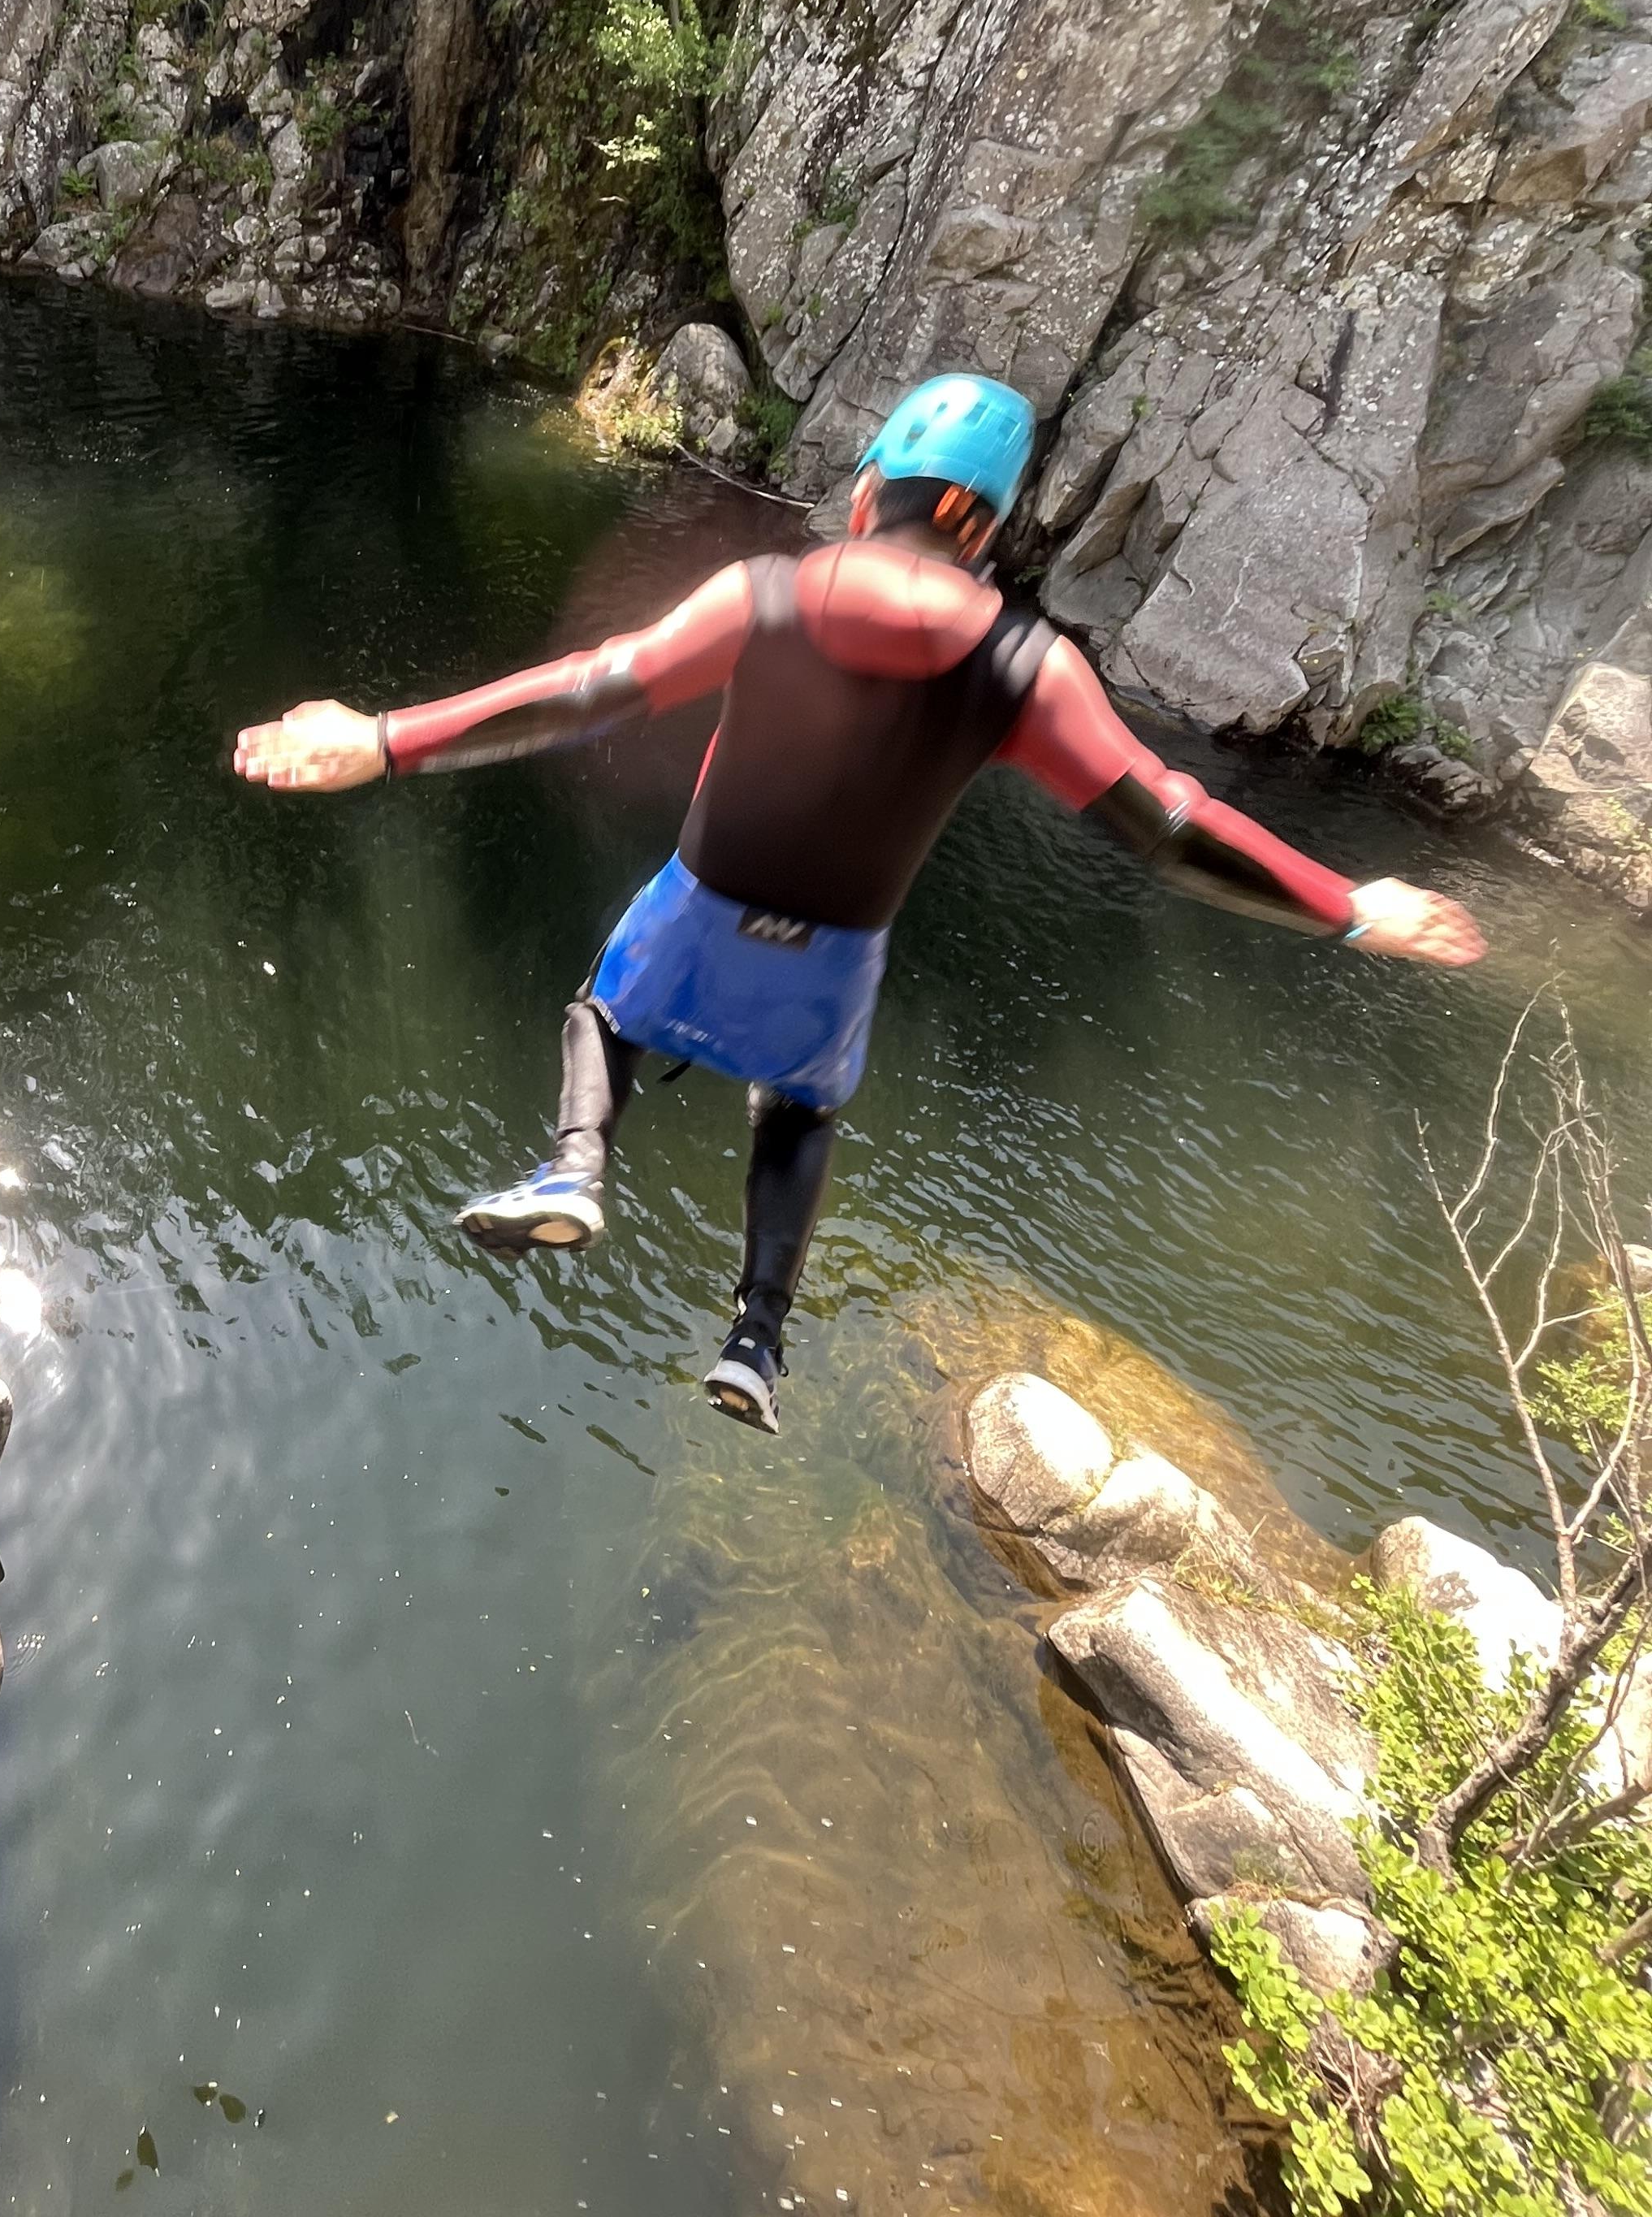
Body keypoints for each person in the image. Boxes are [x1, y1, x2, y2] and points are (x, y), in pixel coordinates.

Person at [233, 370, 1487, 1435]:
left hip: (702, 906)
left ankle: (576, 1169)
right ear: (982, 528)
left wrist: (385, 738)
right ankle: (756, 1340)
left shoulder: (769, 596)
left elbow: (594, 688)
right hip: (834, 958)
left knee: (604, 1018)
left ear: (869, 489)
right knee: (798, 1107)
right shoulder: (1023, 667)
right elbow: (1166, 826)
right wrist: (1350, 905)